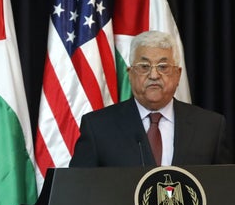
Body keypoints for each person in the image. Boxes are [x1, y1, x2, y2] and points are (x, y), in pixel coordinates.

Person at [70, 30, 233, 167]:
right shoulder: (98, 127)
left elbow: (224, 191)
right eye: (144, 67)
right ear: (130, 74)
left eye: (163, 67)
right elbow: (78, 190)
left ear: (178, 75)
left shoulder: (210, 127)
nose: (154, 75)